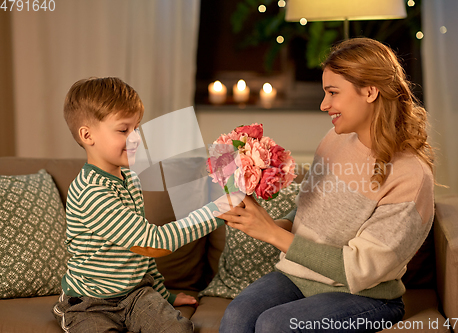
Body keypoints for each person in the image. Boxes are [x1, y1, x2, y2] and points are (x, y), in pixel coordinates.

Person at [215, 38, 435, 332]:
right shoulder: (335, 141)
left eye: (333, 92)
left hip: (364, 296)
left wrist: (270, 233)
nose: (324, 105)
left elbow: (359, 269)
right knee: (236, 315)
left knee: (276, 325)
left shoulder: (411, 178)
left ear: (370, 91)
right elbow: (309, 213)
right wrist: (262, 223)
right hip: (298, 275)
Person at [52, 77, 233, 333]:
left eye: (137, 128)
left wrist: (163, 295)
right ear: (87, 135)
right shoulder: (91, 191)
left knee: (178, 330)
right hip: (91, 303)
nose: (136, 137)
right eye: (124, 130)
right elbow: (152, 242)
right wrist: (217, 211)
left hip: (136, 295)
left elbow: (140, 251)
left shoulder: (131, 180)